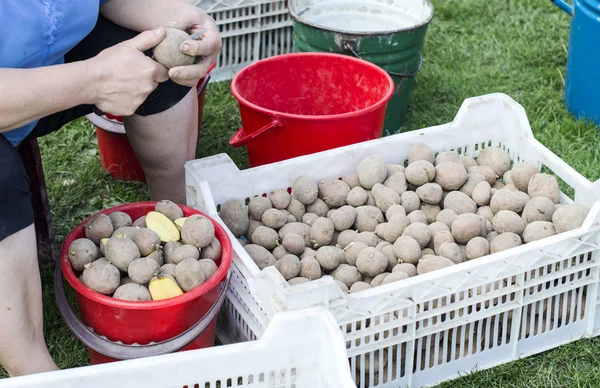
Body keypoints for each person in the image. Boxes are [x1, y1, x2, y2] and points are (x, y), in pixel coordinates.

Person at [0, 0, 222, 377]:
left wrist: (184, 23)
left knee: (157, 53)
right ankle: (30, 364)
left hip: (44, 60)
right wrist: (96, 79)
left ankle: (180, 229)